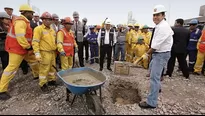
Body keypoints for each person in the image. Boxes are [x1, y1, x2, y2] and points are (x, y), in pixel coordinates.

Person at [0, 4, 39, 100]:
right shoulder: (21, 22)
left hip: (23, 48)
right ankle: (2, 90)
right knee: (11, 69)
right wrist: (28, 47)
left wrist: (28, 48)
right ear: (25, 12)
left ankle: (37, 75)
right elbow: (20, 36)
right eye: (31, 13)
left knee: (33, 60)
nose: (32, 15)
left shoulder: (25, 22)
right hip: (16, 49)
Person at [139, 5, 173, 109]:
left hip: (161, 54)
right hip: (158, 54)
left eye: (158, 15)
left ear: (163, 15)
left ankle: (151, 102)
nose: (155, 17)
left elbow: (155, 45)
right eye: (154, 15)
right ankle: (157, 88)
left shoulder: (163, 27)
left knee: (154, 78)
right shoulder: (159, 25)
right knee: (152, 69)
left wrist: (146, 54)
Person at [32, 12, 57, 92]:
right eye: (46, 20)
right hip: (44, 52)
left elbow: (54, 41)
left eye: (50, 20)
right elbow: (35, 41)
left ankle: (51, 80)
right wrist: (37, 53)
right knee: (44, 69)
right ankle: (42, 84)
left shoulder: (52, 30)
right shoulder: (38, 29)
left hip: (52, 52)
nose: (48, 21)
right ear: (42, 20)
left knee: (52, 68)